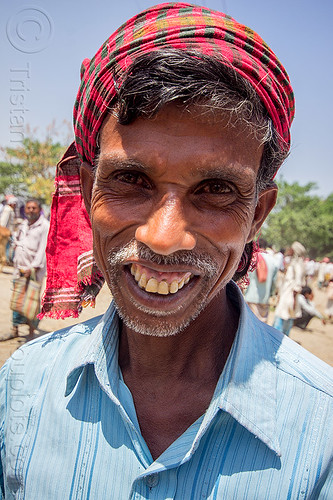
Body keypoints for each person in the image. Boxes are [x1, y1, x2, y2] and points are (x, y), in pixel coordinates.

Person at [0, 4, 332, 499]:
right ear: (90, 190)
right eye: (131, 180)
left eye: (216, 189)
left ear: (258, 213)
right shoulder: (22, 390)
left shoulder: (322, 431)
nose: (163, 236)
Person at [0, 199, 49, 341]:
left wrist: (33, 267)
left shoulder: (44, 226)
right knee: (17, 299)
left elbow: (43, 249)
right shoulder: (23, 225)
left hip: (33, 271)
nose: (30, 210)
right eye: (28, 208)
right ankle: (14, 330)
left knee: (31, 301)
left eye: (33, 208)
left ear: (39, 209)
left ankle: (31, 331)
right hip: (19, 268)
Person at [273, 241, 307, 335]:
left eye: (291, 249)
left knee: (284, 316)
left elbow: (298, 284)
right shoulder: (292, 263)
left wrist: (294, 300)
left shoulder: (298, 265)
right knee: (283, 315)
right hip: (285, 294)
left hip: (290, 296)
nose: (289, 250)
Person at [244, 242, 278, 323]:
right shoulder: (273, 261)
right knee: (261, 325)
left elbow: (248, 278)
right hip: (265, 299)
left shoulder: (253, 258)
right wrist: (271, 294)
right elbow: (274, 282)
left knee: (250, 324)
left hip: (251, 296)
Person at [0, 195, 17, 269]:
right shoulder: (8, 209)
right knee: (2, 249)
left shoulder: (9, 209)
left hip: (6, 232)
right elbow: (3, 222)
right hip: (4, 233)